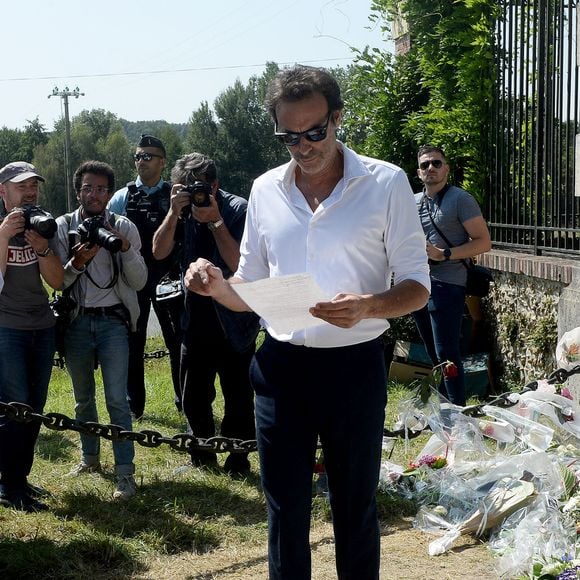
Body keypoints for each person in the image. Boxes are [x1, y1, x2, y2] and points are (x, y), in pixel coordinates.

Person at [184, 65, 430, 579]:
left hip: (356, 367)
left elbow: (416, 286)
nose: (303, 146)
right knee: (285, 509)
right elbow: (248, 287)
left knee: (354, 506)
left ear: (337, 119)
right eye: (289, 136)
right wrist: (214, 286)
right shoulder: (265, 189)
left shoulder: (386, 183)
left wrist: (368, 306)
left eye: (315, 131)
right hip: (281, 370)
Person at [152, 153, 257, 475]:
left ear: (215, 185)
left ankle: (237, 458)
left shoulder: (238, 209)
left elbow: (241, 264)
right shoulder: (180, 212)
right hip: (194, 320)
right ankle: (202, 457)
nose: (194, 194)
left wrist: (214, 221)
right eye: (184, 188)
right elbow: (158, 251)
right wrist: (173, 211)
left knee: (238, 396)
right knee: (193, 396)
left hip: (234, 320)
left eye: (199, 188)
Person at [54, 160, 147, 500]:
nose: (95, 194)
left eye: (102, 189)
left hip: (113, 321)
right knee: (83, 400)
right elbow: (60, 280)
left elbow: (139, 281)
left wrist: (123, 247)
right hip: (78, 319)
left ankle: (125, 474)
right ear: (78, 190)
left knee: (117, 401)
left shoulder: (124, 226)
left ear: (110, 193)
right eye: (88, 188)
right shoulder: (64, 226)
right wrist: (78, 262)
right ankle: (89, 459)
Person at [0, 161, 64, 512]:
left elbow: (57, 281)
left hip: (41, 325)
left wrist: (41, 246)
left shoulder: (42, 223)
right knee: (15, 406)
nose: (29, 192)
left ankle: (19, 478)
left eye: (33, 186)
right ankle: (9, 485)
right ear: (3, 192)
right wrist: (4, 235)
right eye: (21, 185)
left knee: (34, 408)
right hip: (6, 326)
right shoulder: (1, 229)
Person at [108, 135, 182, 419]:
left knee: (176, 342)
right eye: (138, 156)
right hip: (133, 279)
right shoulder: (122, 197)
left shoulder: (173, 195)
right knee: (133, 341)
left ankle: (183, 402)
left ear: (162, 162)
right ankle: (133, 406)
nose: (141, 161)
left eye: (148, 156)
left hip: (169, 280)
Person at [412, 145, 491, 406]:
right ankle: (443, 409)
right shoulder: (413, 202)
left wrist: (444, 254)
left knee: (447, 353)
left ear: (446, 168)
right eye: (425, 165)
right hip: (418, 283)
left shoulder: (460, 199)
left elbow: (483, 242)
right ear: (419, 172)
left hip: (448, 283)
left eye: (436, 163)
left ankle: (457, 412)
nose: (431, 168)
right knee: (434, 353)